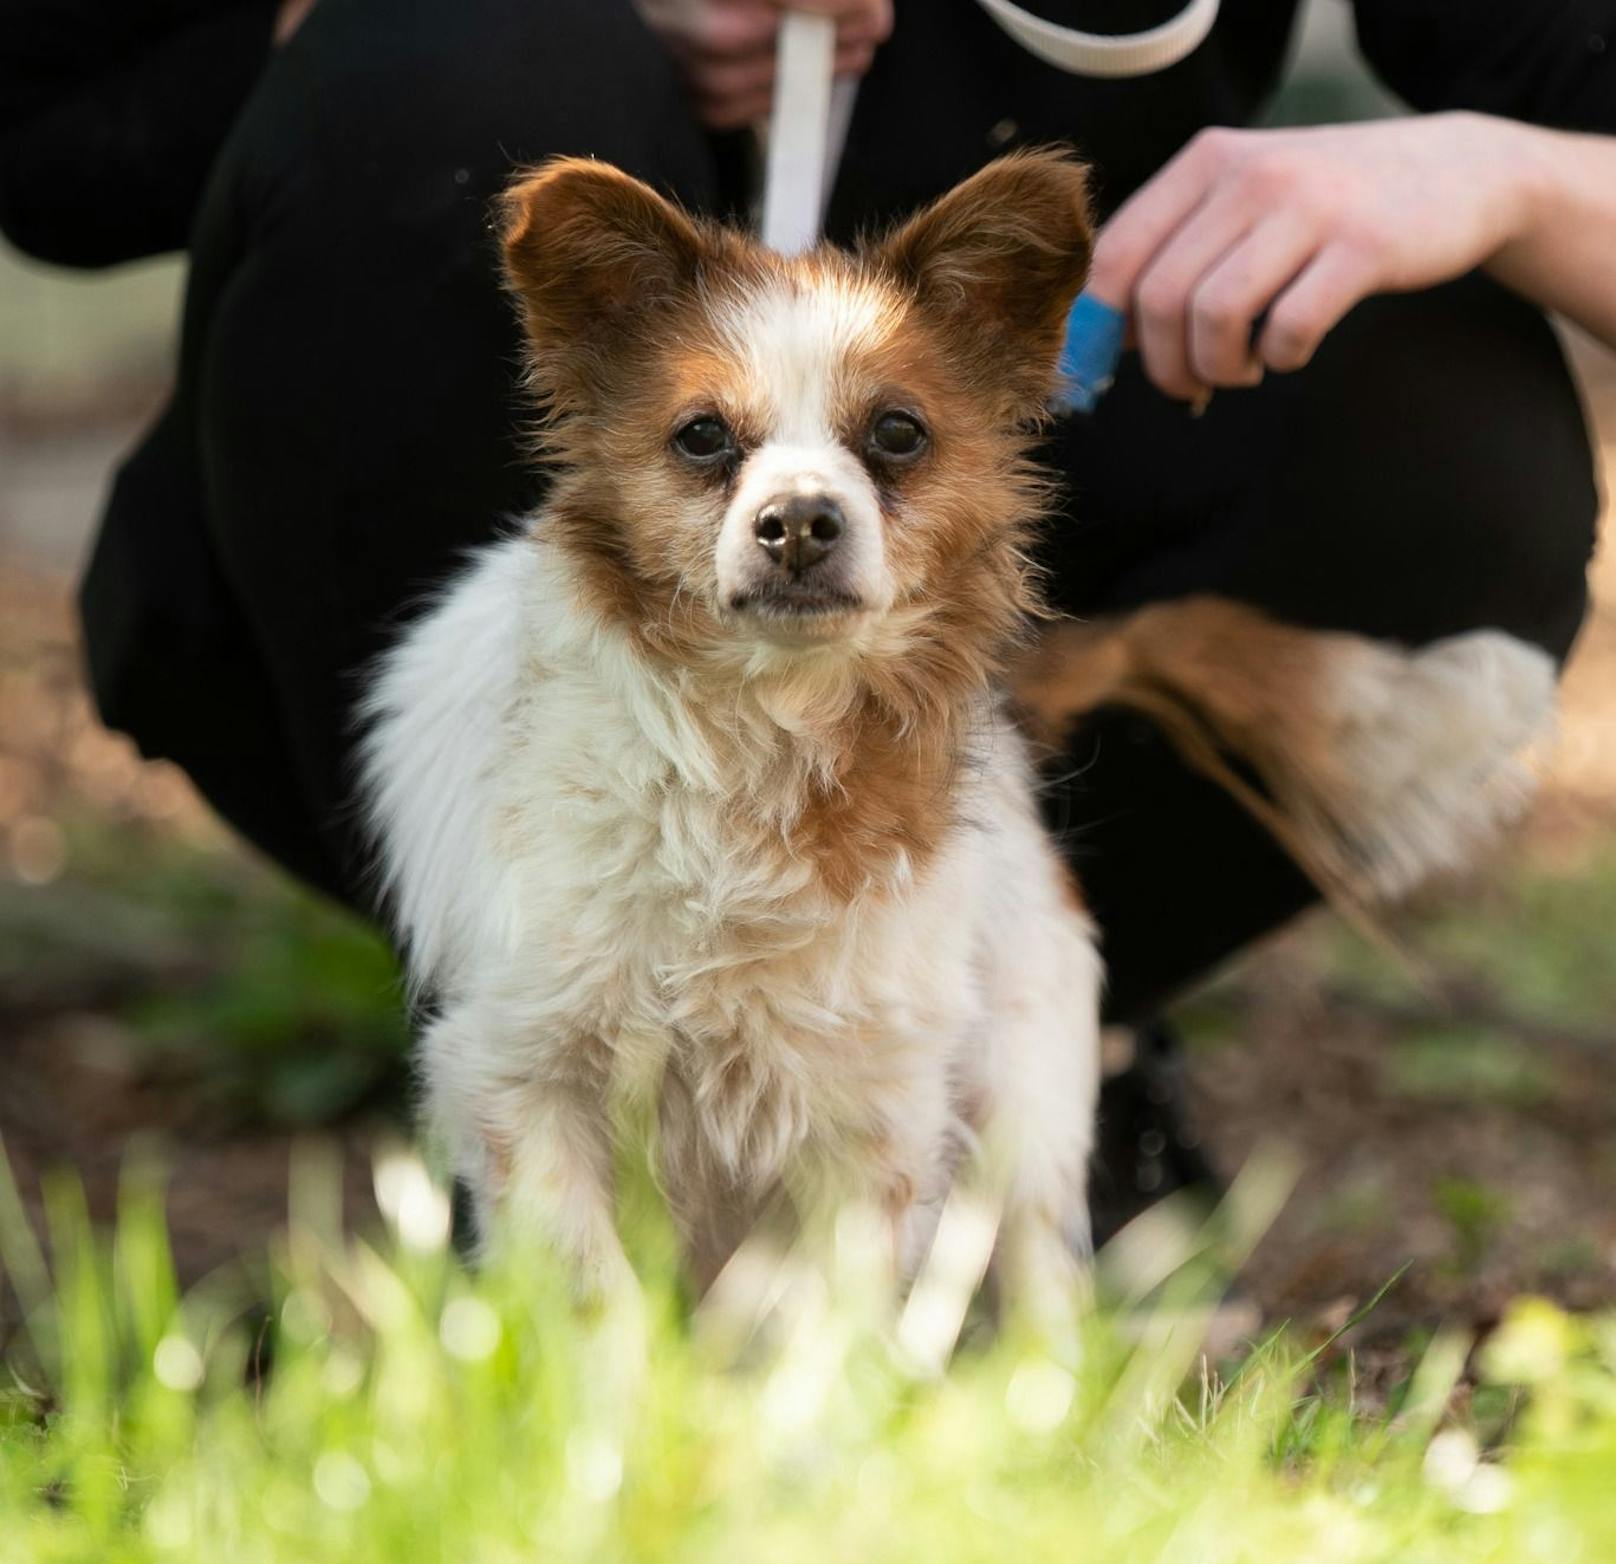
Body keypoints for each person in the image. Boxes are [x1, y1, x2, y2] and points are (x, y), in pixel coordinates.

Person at [3, 0, 1611, 1231]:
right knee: (454, 71)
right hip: (388, 545)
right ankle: (538, 1098)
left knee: (1451, 429)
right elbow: (57, 122)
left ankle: (980, 1064)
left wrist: (1501, 171)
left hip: (1051, 467)